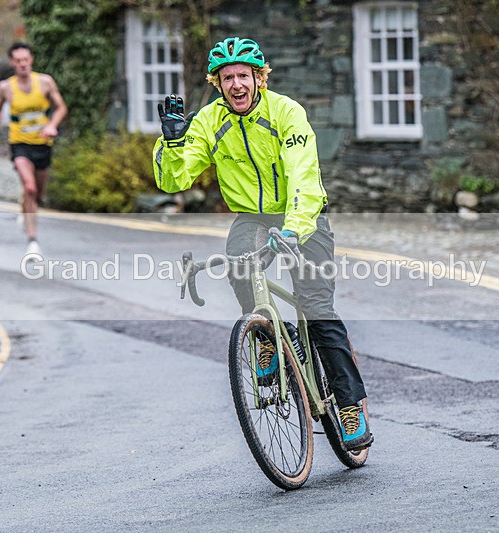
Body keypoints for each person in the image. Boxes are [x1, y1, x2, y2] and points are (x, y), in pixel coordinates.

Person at [152, 37, 372, 451]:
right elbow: (173, 181)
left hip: (302, 216)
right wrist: (171, 143)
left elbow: (304, 177)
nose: (236, 84)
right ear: (218, 83)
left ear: (259, 78)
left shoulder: (286, 112)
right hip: (252, 218)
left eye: (244, 76)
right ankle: (268, 335)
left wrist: (292, 231)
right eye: (227, 77)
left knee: (318, 309)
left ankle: (349, 405)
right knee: (239, 265)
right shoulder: (209, 121)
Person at [0, 42, 67, 258]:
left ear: (31, 60)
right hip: (19, 144)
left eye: (26, 60)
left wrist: (52, 125)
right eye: (18, 61)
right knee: (29, 187)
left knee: (37, 194)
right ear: (12, 63)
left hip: (42, 144)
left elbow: (61, 107)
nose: (22, 64)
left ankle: (26, 208)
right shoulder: (6, 87)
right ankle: (33, 241)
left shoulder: (45, 82)